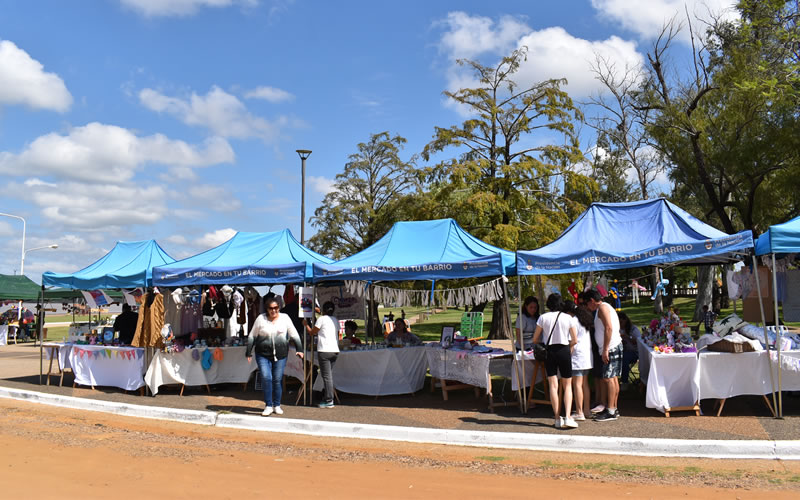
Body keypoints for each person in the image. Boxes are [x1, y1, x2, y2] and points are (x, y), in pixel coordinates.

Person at [247, 296, 304, 417]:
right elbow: (252, 336)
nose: (274, 311)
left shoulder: (285, 318)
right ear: (267, 309)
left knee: (277, 379)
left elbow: (294, 333)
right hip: (262, 354)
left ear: (279, 308)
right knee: (266, 378)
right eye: (271, 308)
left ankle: (277, 405)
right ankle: (268, 405)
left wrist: (299, 349)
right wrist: (248, 351)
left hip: (281, 354)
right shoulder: (260, 319)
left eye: (276, 308)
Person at [532, 293, 578, 429]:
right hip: (564, 350)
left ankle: (557, 418)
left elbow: (535, 339)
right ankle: (568, 416)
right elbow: (574, 339)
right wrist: (569, 349)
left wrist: (543, 342)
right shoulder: (568, 318)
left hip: (550, 351)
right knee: (567, 385)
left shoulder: (543, 317)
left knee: (553, 385)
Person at [583, 289, 623, 422]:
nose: (587, 307)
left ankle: (611, 410)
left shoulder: (602, 308)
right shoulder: (606, 307)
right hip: (612, 345)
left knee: (609, 378)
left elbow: (608, 328)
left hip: (610, 347)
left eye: (587, 304)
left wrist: (605, 349)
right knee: (613, 378)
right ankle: (614, 408)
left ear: (592, 301)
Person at [304, 301, 340, 408]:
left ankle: (329, 399)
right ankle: (327, 397)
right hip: (335, 350)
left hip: (324, 350)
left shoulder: (321, 319)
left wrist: (306, 325)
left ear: (323, 310)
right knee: (328, 376)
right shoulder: (335, 320)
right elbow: (337, 334)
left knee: (327, 376)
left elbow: (312, 332)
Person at [563, 300, 593, 421]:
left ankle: (579, 411)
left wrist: (568, 354)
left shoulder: (573, 321)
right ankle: (586, 410)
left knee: (577, 384)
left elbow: (573, 341)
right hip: (586, 355)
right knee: (584, 384)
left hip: (577, 356)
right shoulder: (583, 320)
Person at [618, 312, 641, 387]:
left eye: (621, 322)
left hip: (635, 352)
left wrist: (626, 337)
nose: (620, 324)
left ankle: (624, 381)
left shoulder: (633, 329)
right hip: (624, 350)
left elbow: (638, 342)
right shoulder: (619, 329)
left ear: (625, 320)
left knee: (624, 358)